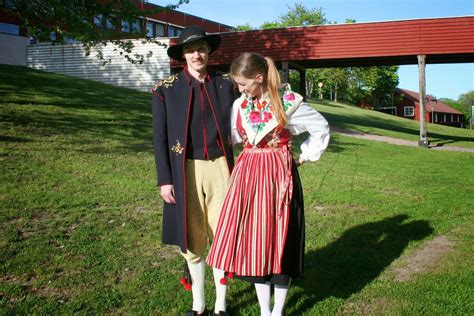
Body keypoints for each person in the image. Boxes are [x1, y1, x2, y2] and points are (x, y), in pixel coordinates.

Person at [206, 52, 330, 316]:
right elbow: (235, 137)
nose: (239, 89)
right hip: (248, 177)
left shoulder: (288, 103)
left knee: (280, 238)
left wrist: (305, 156)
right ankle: (265, 310)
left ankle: (278, 310)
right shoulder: (241, 105)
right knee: (255, 240)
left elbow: (321, 127)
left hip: (277, 177)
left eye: (243, 83)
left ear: (259, 78)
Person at [152, 25, 237, 316]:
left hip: (221, 169)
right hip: (184, 170)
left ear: (209, 51)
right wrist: (165, 180)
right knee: (191, 237)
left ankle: (221, 306)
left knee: (224, 234)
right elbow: (159, 138)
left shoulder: (228, 85)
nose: (196, 54)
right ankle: (198, 305)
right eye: (190, 50)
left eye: (200, 48)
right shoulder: (166, 90)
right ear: (183, 55)